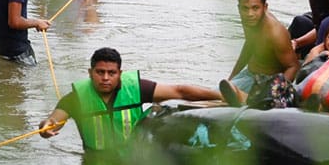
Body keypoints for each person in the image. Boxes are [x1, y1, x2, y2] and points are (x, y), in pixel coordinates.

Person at [38, 47, 222, 150]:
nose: (105, 78)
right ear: (90, 73)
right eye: (100, 72)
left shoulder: (137, 88)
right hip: (96, 159)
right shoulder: (75, 98)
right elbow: (55, 120)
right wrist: (45, 127)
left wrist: (221, 95)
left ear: (120, 73)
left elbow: (180, 91)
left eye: (111, 73)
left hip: (134, 158)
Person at [219, 0, 300, 106]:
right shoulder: (248, 20)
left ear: (265, 7)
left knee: (213, 95)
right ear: (239, 8)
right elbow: (249, 45)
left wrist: (272, 93)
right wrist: (232, 77)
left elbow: (293, 66)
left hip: (267, 82)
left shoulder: (275, 32)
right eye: (245, 8)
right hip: (249, 74)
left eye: (255, 8)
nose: (249, 14)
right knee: (220, 93)